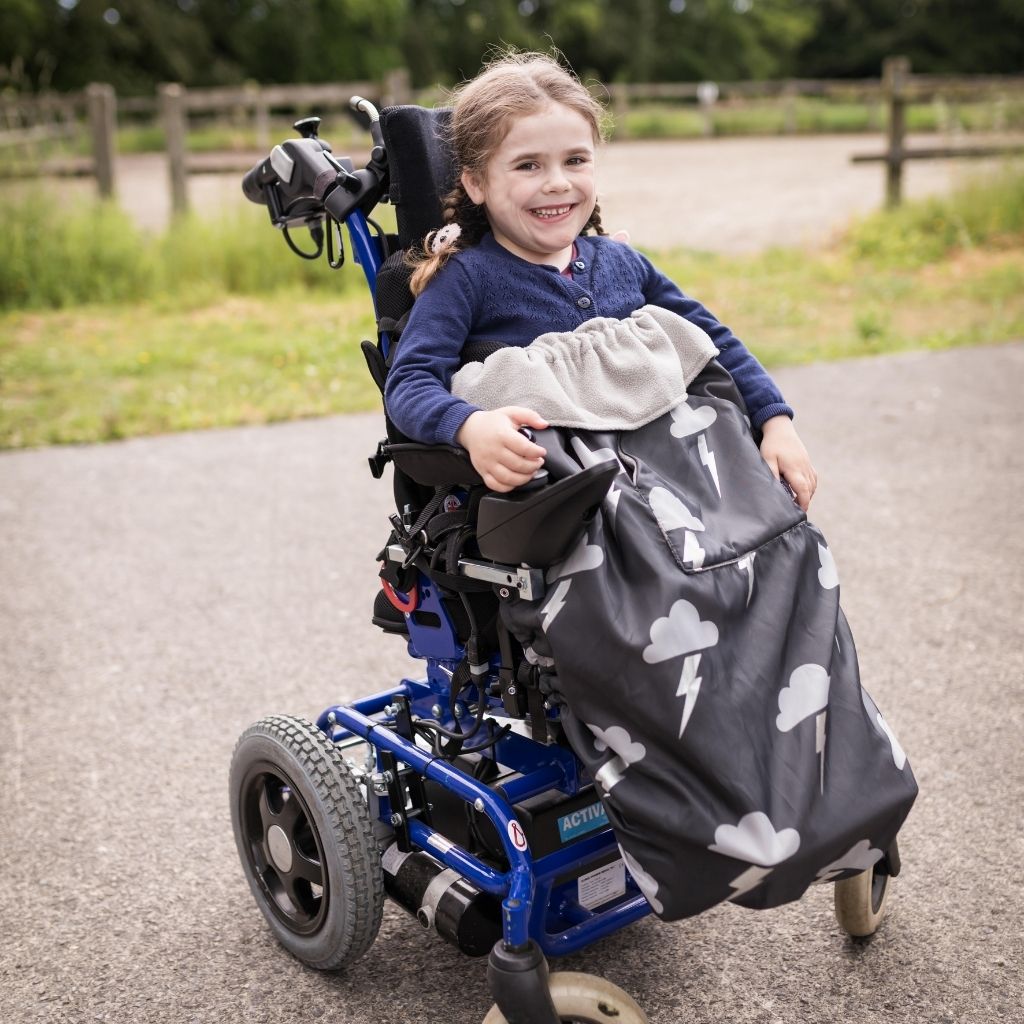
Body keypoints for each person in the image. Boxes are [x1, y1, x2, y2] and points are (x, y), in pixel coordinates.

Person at [384, 51, 818, 508]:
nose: (557, 183)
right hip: (567, 495)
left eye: (575, 160)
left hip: (670, 476)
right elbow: (410, 382)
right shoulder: (467, 279)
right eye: (527, 165)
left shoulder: (622, 263)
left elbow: (715, 341)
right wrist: (469, 427)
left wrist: (776, 422)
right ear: (477, 185)